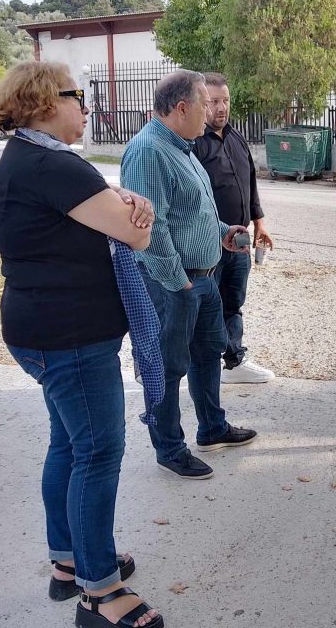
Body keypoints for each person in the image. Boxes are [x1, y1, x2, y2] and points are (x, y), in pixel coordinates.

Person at [0, 62, 164, 628]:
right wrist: (141, 209)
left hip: (46, 329)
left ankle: (69, 563)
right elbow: (135, 231)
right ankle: (99, 592)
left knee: (68, 444)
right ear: (44, 102)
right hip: (70, 337)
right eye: (77, 98)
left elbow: (110, 213)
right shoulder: (50, 165)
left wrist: (123, 201)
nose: (86, 109)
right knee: (96, 453)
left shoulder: (35, 160)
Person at [121, 69, 258, 481]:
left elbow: (193, 215)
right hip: (173, 283)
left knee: (206, 354)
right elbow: (151, 227)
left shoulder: (181, 147)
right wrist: (177, 281)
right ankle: (169, 448)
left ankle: (212, 428)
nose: (212, 112)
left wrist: (224, 234)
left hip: (203, 276)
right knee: (168, 366)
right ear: (182, 108)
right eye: (204, 104)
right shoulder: (149, 152)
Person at [193, 72, 275, 384]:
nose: (221, 107)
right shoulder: (196, 144)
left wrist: (260, 224)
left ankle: (234, 361)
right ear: (202, 103)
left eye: (225, 100)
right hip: (210, 242)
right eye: (214, 101)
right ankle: (205, 365)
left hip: (239, 241)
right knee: (207, 305)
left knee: (233, 302)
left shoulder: (236, 137)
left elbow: (249, 183)